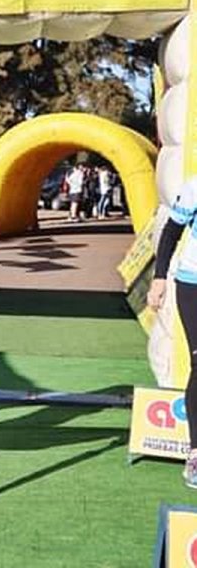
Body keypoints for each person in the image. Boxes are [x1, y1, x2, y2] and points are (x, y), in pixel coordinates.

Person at [148, 177, 197, 488]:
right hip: (194, 284)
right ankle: (196, 453)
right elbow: (172, 230)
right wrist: (159, 278)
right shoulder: (196, 186)